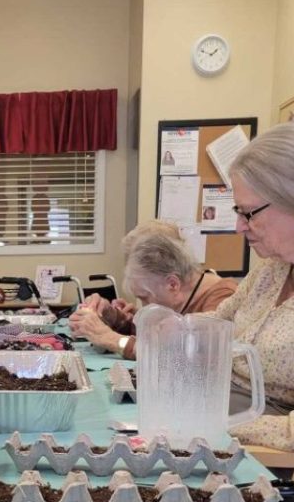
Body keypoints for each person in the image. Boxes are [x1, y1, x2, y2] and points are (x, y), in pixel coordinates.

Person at [209, 121, 294, 450]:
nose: (238, 227)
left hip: (255, 447)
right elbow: (214, 326)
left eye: (248, 213)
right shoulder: (271, 269)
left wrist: (220, 424)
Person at [68, 224, 236, 359]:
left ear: (172, 284)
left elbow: (182, 354)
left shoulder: (222, 299)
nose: (144, 306)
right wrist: (113, 316)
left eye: (145, 297)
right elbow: (158, 333)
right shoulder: (176, 294)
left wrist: (110, 338)